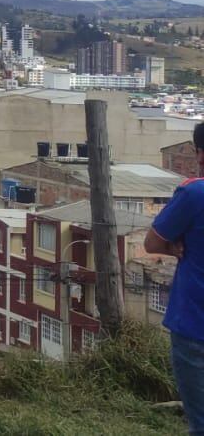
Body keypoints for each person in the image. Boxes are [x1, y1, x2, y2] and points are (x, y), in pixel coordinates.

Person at [147, 122, 204, 434]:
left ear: (199, 154)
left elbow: (152, 243)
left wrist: (175, 245)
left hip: (195, 324)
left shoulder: (194, 193)